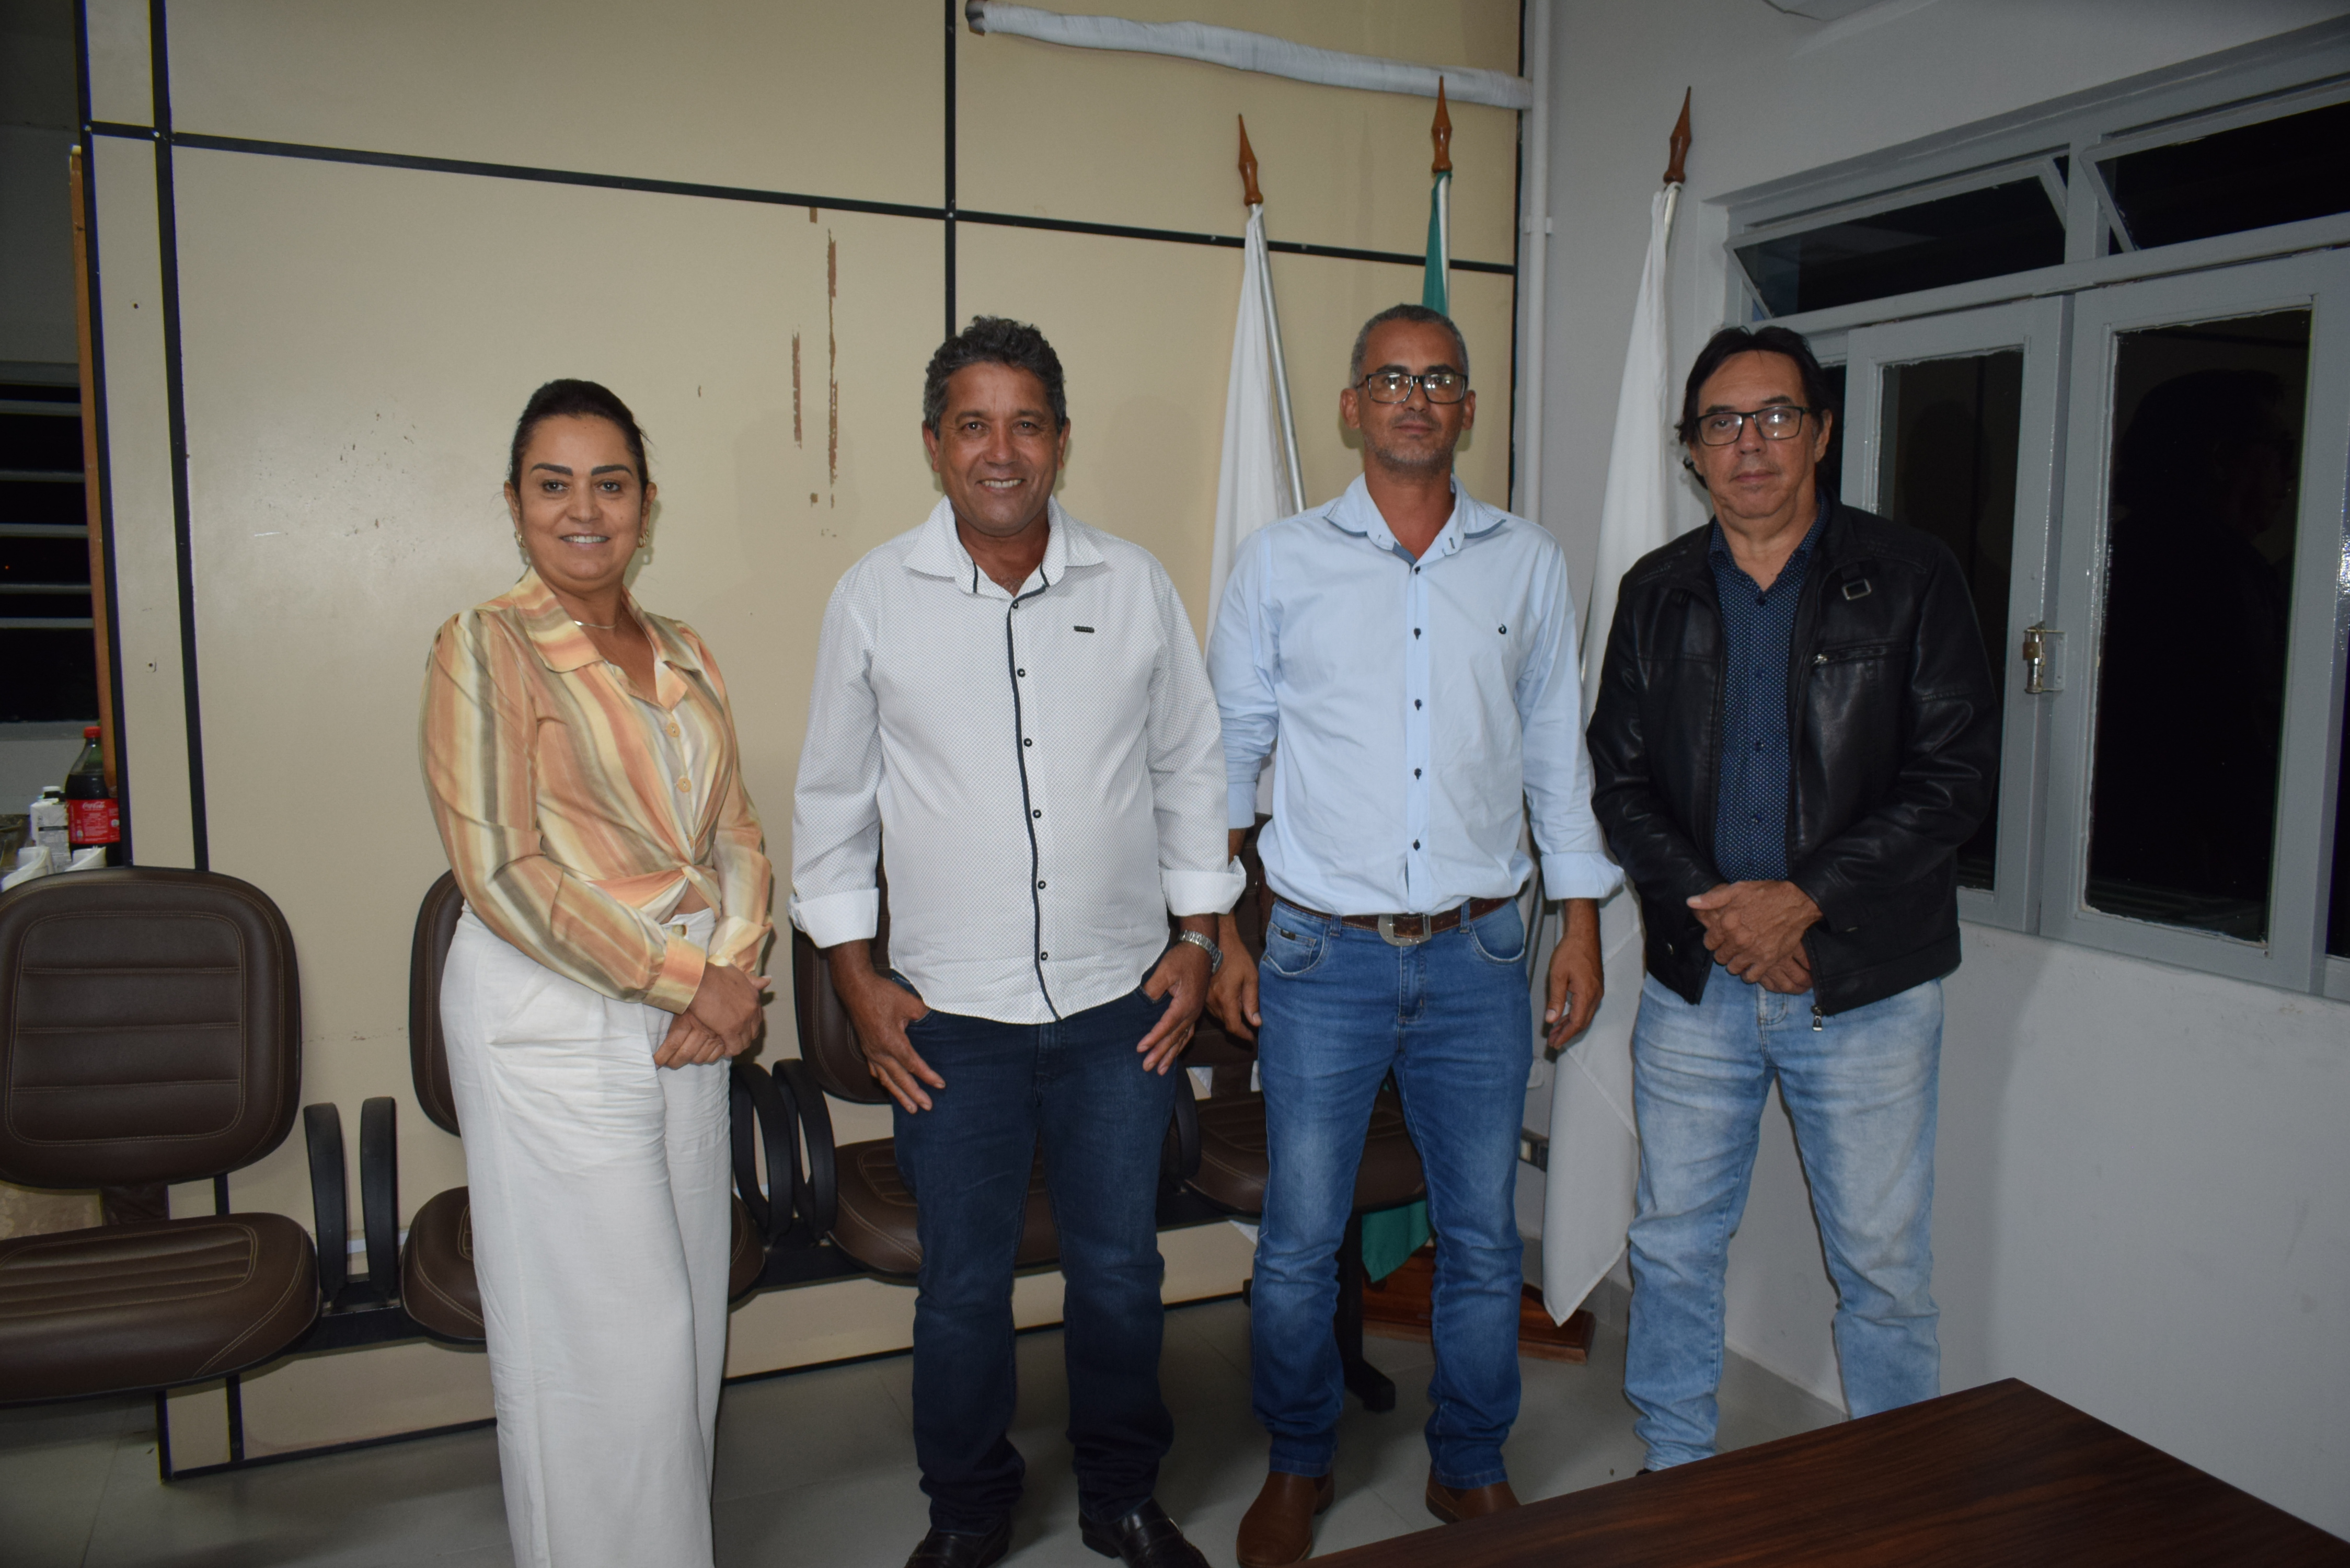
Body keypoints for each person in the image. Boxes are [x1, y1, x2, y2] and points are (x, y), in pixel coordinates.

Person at [791, 317, 1241, 1568]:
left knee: (1119, 1275)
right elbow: (831, 807)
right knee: (961, 1291)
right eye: (974, 425)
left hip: (1117, 1009)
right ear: (935, 445)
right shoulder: (874, 597)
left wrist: (1199, 937)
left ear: (1060, 440)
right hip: (950, 1021)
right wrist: (856, 983)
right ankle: (968, 1510)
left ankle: (1121, 1498)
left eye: (1026, 423)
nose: (1003, 450)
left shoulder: (1132, 586)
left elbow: (1191, 768)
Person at [1206, 304, 1618, 1566]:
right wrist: (1218, 932)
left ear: (1467, 410)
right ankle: (1298, 1459)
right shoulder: (1279, 563)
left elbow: (1556, 760)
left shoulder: (1526, 564)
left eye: (1438, 381)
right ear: (1351, 406)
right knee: (1300, 1241)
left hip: (1480, 954)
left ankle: (1469, 1466)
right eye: (1389, 379)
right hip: (1319, 955)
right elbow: (1227, 759)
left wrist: (1581, 924)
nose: (1413, 399)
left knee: (1484, 1236)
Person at [1585, 325, 1998, 1473]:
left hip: (1862, 983)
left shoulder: (1911, 576)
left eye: (1776, 417)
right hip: (1699, 982)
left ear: (1820, 433)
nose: (1750, 444)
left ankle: (1893, 1492)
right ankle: (1674, 1470)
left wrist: (1804, 902)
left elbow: (1956, 779)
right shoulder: (1657, 591)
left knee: (1883, 1267)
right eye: (1722, 423)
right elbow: (1619, 782)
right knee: (1673, 1244)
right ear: (1691, 450)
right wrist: (1727, 919)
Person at [420, 378, 774, 1567]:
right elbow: (501, 872)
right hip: (551, 1017)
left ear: (646, 503)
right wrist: (687, 977)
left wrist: (729, 977)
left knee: (685, 1336)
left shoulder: (684, 650)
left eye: (609, 484)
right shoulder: (483, 646)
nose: (584, 510)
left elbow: (736, 835)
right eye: (554, 484)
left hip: (688, 1022)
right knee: (602, 1355)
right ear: (514, 502)